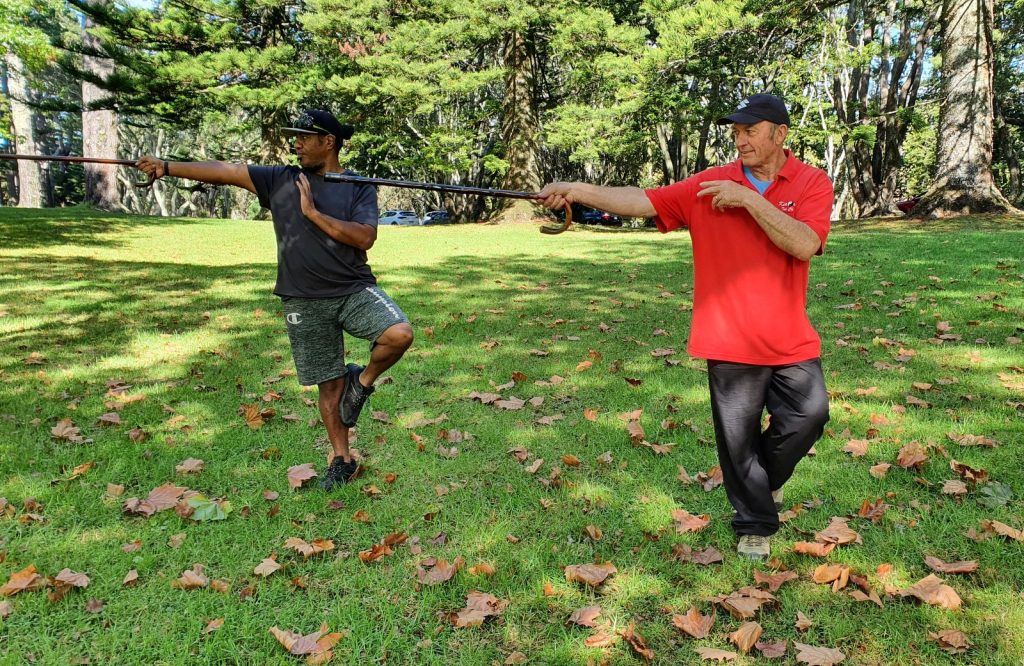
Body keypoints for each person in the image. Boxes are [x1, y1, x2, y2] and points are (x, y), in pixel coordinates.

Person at [538, 94, 832, 559]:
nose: (740, 140)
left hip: (788, 334)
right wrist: (577, 190)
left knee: (809, 416)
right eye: (736, 132)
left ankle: (766, 482)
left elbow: (803, 242)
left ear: (780, 134)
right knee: (737, 441)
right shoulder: (712, 183)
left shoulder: (812, 182)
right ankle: (755, 522)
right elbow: (645, 201)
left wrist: (749, 200)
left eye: (750, 131)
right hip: (728, 335)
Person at [136, 109, 414, 491]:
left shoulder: (358, 186)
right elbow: (226, 171)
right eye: (293, 136)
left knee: (399, 334)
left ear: (328, 142)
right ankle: (341, 459)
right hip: (302, 298)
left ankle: (361, 381)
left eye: (304, 136)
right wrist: (168, 166)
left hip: (353, 289)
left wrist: (313, 214)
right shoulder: (281, 179)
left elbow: (364, 237)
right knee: (328, 384)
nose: (295, 143)